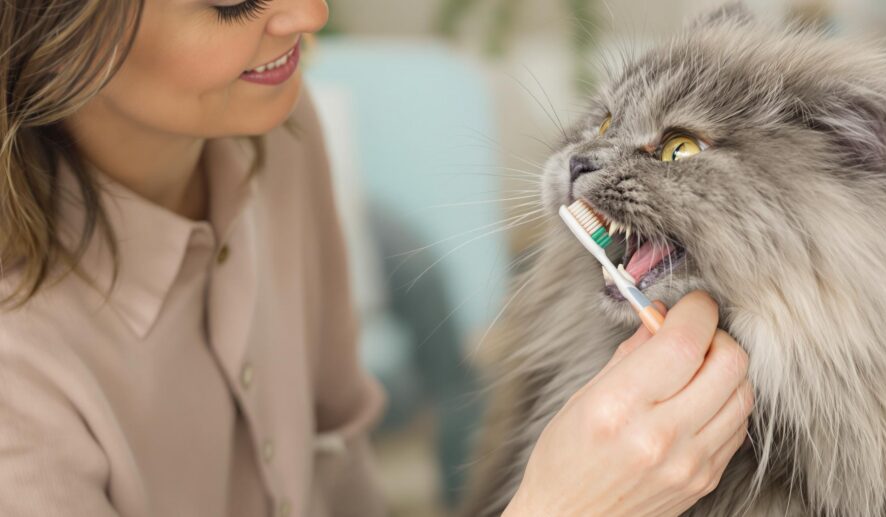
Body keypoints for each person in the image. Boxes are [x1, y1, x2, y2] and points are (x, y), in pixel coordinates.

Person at [0, 1, 753, 516]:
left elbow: (336, 452)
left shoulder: (277, 129)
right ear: (46, 29)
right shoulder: (18, 374)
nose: (311, 12)